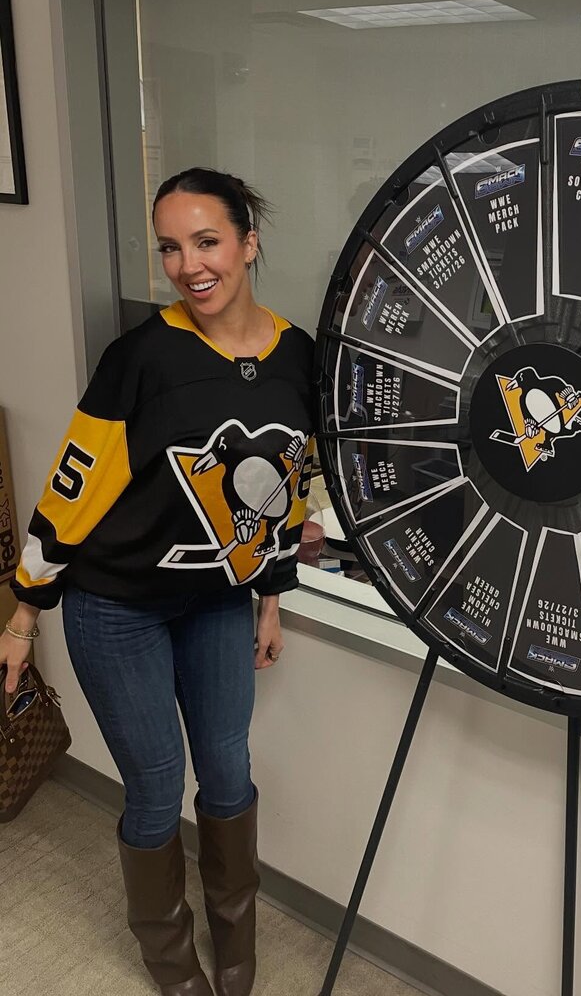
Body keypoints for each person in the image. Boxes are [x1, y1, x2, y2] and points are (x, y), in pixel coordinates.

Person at [0, 168, 317, 996]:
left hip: (217, 603)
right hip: (117, 607)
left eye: (207, 241)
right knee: (154, 786)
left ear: (249, 242)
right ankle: (173, 965)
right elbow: (72, 489)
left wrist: (270, 598)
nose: (188, 266)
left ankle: (236, 943)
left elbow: (287, 490)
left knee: (228, 773)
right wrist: (24, 613)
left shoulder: (299, 355)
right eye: (170, 248)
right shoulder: (140, 358)